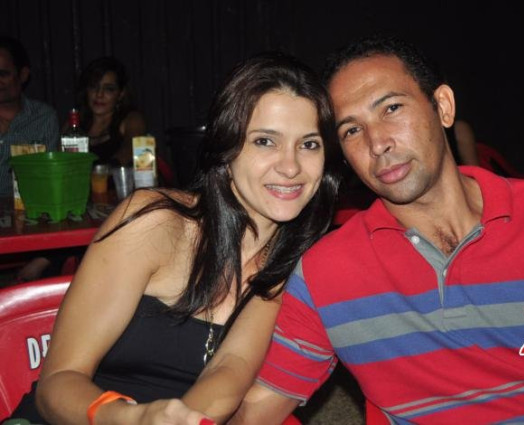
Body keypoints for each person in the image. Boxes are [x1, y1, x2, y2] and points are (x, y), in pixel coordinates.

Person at [230, 36, 524, 424]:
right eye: (351, 130)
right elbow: (261, 405)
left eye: (391, 108)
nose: (377, 142)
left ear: (443, 106)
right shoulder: (329, 271)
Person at [8, 52, 341, 425]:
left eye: (309, 144)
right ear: (226, 148)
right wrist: (132, 418)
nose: (291, 166)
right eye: (265, 141)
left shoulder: (295, 261)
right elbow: (58, 382)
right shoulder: (154, 223)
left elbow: (229, 371)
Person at [0, 35, 59, 197]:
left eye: (3, 74)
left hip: (29, 207)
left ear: (23, 75)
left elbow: (50, 176)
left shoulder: (43, 118)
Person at [72, 56, 146, 166]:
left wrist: (105, 169)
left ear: (121, 94)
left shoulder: (131, 119)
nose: (99, 94)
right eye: (94, 87)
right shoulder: (75, 122)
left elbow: (133, 148)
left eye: (109, 89)